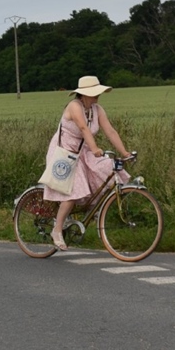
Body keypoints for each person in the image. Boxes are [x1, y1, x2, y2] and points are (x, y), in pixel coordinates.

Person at [43, 75, 133, 250]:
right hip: (64, 153)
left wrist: (125, 153)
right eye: (93, 93)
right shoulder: (74, 106)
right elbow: (84, 128)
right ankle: (57, 229)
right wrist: (94, 148)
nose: (97, 96)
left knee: (107, 168)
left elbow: (110, 131)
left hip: (82, 151)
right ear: (83, 94)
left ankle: (94, 210)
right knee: (73, 192)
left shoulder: (96, 109)